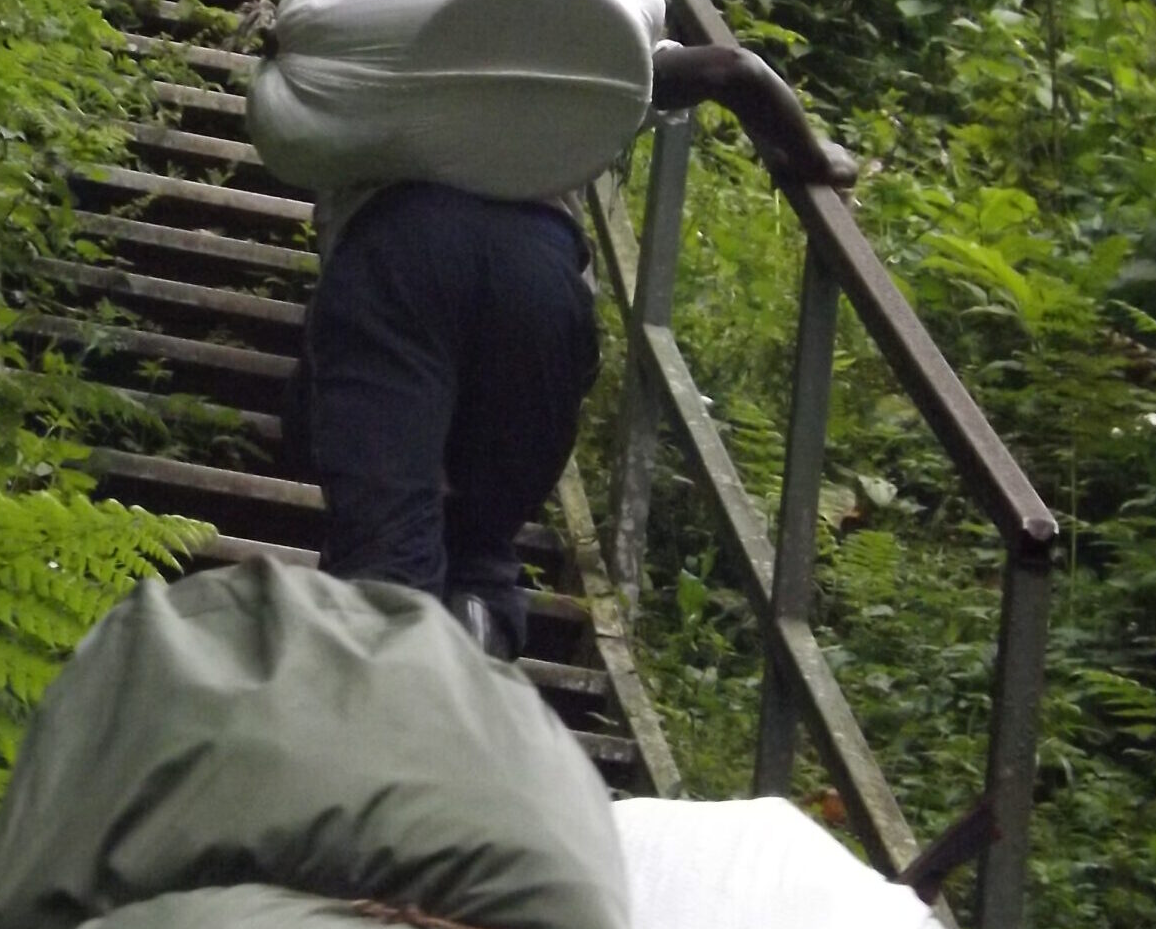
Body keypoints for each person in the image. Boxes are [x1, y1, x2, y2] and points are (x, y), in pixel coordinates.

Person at [289, 37, 858, 663]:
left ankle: (367, 725)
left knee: (382, 552)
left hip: (398, 251)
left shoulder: (385, 6)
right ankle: (473, 684)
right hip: (536, 272)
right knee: (479, 554)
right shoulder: (571, 23)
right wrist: (810, 158)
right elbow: (731, 68)